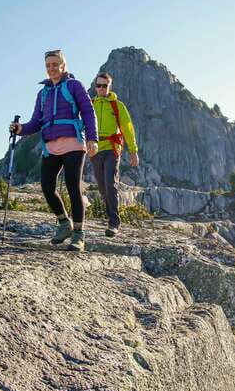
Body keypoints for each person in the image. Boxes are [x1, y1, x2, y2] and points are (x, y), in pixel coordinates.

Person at [10, 50, 98, 252]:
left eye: (55, 64)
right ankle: (64, 223)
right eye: (48, 65)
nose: (51, 68)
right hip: (50, 145)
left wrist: (93, 138)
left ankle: (78, 234)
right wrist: (21, 128)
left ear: (63, 66)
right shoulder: (43, 94)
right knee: (47, 187)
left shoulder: (74, 86)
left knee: (73, 187)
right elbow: (36, 122)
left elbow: (88, 111)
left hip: (74, 143)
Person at [90, 72, 139, 236]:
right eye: (99, 85)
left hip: (112, 148)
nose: (101, 88)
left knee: (110, 183)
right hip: (95, 149)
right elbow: (82, 124)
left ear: (109, 86)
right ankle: (110, 215)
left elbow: (127, 128)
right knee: (102, 187)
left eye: (104, 85)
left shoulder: (117, 105)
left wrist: (133, 151)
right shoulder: (90, 104)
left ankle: (114, 223)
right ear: (95, 86)